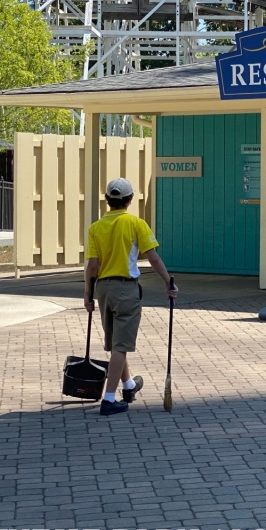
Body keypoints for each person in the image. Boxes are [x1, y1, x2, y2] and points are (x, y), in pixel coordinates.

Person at [84, 177, 177, 416]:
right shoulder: (136, 224)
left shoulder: (95, 228)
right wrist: (168, 282)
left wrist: (88, 294)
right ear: (130, 199)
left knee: (116, 342)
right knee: (121, 345)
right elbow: (153, 258)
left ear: (107, 200)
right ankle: (109, 398)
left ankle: (129, 386)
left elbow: (92, 266)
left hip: (103, 288)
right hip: (126, 288)